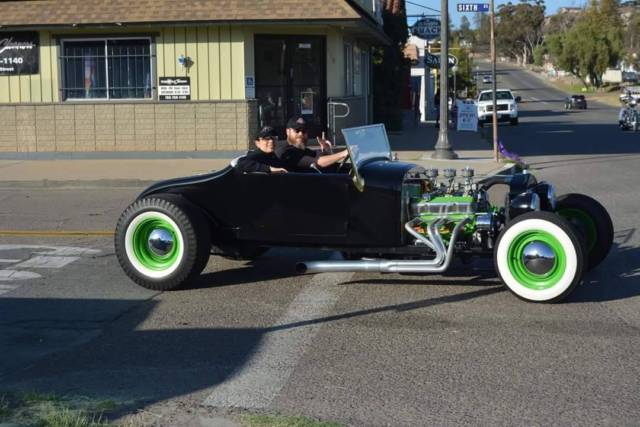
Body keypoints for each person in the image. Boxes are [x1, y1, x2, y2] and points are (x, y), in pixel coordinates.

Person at [275, 116, 349, 172]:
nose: (301, 134)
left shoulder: (304, 150)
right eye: (297, 130)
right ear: (287, 132)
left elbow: (319, 156)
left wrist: (327, 150)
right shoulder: (285, 152)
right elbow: (316, 162)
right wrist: (344, 153)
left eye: (304, 131)